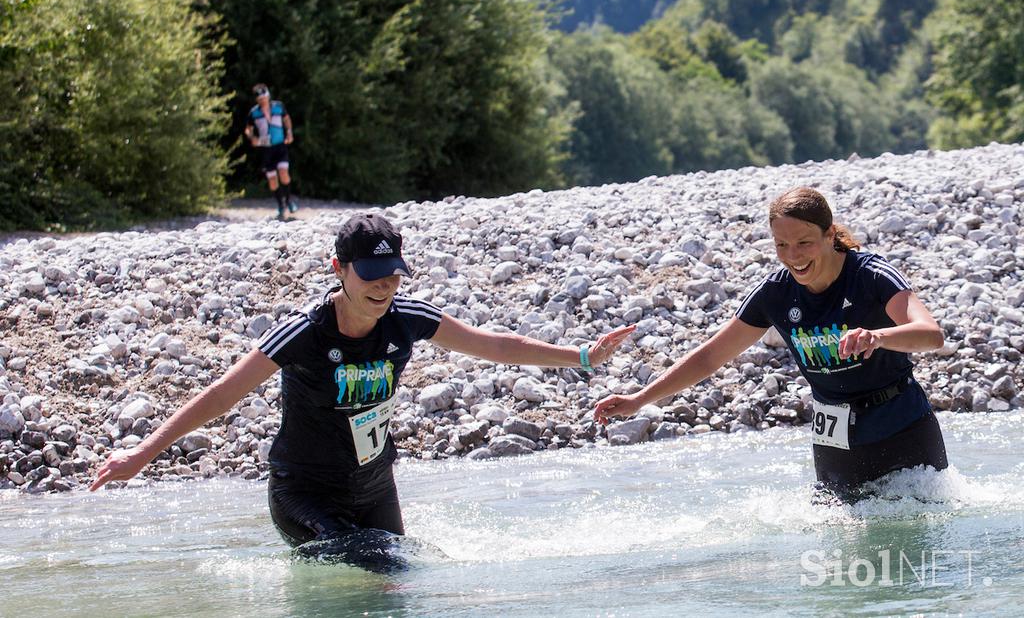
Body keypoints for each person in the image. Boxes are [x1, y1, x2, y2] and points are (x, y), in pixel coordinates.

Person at [91, 213, 635, 565]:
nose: (384, 286)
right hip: (304, 494)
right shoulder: (304, 333)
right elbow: (221, 394)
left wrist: (583, 356)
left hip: (376, 487)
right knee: (374, 575)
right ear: (339, 269)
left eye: (394, 274)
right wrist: (142, 454)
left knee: (400, 581)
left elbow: (496, 345)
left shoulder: (407, 318)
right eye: (372, 274)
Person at [595, 187, 948, 497]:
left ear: (829, 236)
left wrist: (878, 336)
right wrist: (638, 400)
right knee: (844, 557)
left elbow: (931, 334)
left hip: (903, 428)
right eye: (782, 245)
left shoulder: (870, 276)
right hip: (836, 440)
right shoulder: (776, 293)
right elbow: (710, 358)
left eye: (804, 243)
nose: (793, 256)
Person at [244, 83, 296, 221]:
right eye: (260, 99)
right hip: (266, 149)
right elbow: (248, 129)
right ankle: (281, 206)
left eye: (265, 97)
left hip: (280, 146)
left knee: (284, 172)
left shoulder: (278, 106)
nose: (263, 100)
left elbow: (286, 119)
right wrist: (252, 137)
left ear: (268, 95)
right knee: (272, 180)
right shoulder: (254, 112)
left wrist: (289, 132)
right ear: (257, 100)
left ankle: (289, 200)